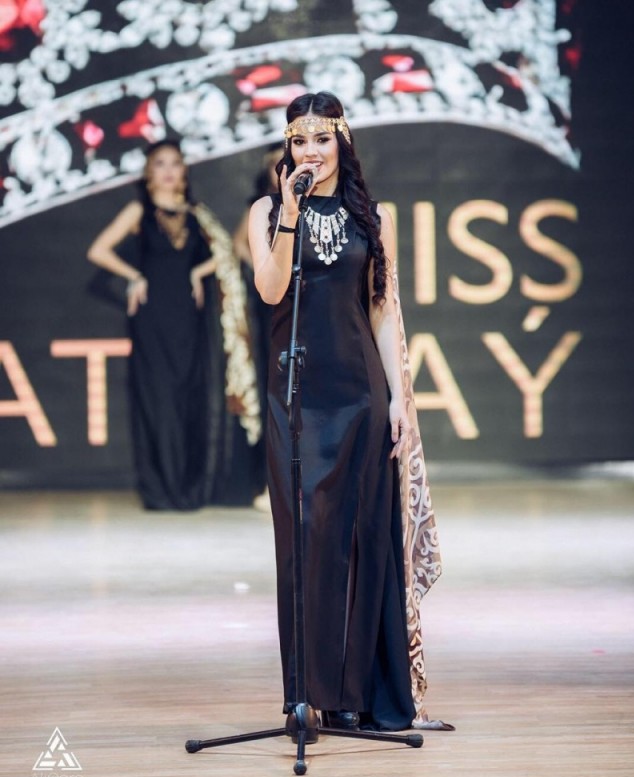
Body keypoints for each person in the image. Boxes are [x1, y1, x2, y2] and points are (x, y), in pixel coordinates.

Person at [248, 92, 446, 731]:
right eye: (299, 141)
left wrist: (398, 398)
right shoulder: (267, 212)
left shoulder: (373, 216)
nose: (310, 152)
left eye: (322, 140)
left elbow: (382, 309)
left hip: (359, 389)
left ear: (343, 142)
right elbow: (271, 290)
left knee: (361, 538)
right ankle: (306, 693)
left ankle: (358, 693)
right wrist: (289, 214)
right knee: (305, 537)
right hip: (296, 392)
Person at [87, 139, 261, 510]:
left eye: (175, 163)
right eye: (160, 163)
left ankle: (187, 487)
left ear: (184, 170)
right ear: (149, 172)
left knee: (188, 397)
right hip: (153, 318)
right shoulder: (139, 210)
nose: (168, 171)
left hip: (189, 317)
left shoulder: (197, 214)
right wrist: (134, 276)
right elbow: (98, 250)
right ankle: (160, 488)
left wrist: (198, 272)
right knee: (158, 399)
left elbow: (226, 253)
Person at [233, 143, 284, 512]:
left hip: (312, 303)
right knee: (278, 389)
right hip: (274, 306)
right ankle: (273, 483)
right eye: (274, 164)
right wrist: (264, 272)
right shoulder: (263, 207)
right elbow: (237, 243)